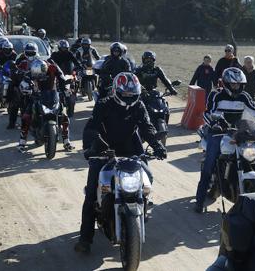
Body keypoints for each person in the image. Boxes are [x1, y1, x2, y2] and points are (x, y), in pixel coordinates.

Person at [74, 72, 167, 254]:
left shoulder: (139, 105)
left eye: (132, 93)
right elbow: (92, 127)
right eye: (125, 94)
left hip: (130, 146)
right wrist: (92, 148)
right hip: (104, 147)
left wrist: (157, 146)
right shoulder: (104, 104)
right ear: (117, 91)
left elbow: (146, 127)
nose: (129, 97)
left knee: (148, 175)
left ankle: (142, 203)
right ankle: (85, 239)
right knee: (92, 193)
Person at [194, 67, 255, 213]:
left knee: (252, 157)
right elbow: (207, 113)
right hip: (217, 133)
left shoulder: (244, 96)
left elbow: (254, 111)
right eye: (233, 84)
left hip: (237, 132)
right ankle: (200, 199)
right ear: (226, 84)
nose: (236, 87)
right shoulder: (216, 95)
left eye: (239, 84)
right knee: (210, 164)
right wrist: (214, 124)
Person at [18, 58, 75, 151]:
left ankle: (66, 141)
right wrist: (25, 88)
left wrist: (65, 89)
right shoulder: (32, 70)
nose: (39, 77)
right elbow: (24, 81)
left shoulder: (53, 68)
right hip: (37, 95)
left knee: (64, 117)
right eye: (37, 76)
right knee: (26, 117)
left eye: (40, 75)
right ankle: (22, 142)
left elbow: (62, 78)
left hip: (53, 95)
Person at [8, 43, 39, 129]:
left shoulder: (39, 60)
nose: (30, 55)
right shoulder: (21, 59)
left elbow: (46, 67)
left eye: (32, 53)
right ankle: (12, 123)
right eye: (28, 53)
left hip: (36, 83)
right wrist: (16, 71)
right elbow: (16, 68)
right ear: (25, 52)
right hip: (23, 81)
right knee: (15, 101)